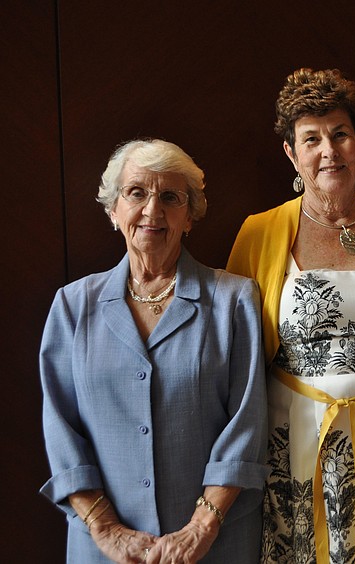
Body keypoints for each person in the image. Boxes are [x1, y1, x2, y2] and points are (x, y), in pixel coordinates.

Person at [226, 68, 355, 564]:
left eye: (340, 134)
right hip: (298, 440)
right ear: (291, 154)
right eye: (311, 139)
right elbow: (236, 356)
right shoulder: (260, 232)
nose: (329, 150)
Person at [40, 139, 268, 563]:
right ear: (113, 210)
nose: (152, 211)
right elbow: (61, 430)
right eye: (136, 193)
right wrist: (106, 530)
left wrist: (201, 528)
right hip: (101, 548)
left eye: (170, 197)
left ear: (190, 216)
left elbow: (247, 423)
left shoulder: (234, 300)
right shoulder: (73, 306)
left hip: (215, 546)